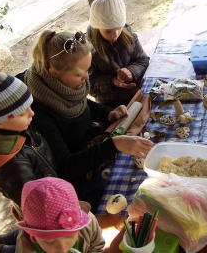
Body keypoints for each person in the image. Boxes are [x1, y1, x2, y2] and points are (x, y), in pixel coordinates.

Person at [23, 29, 153, 213]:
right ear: (54, 73)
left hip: (95, 150)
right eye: (80, 74)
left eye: (87, 70)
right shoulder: (38, 111)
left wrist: (107, 113)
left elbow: (82, 106)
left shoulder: (64, 86)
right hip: (80, 178)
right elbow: (65, 166)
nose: (86, 78)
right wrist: (113, 145)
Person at [0, 70, 58, 253]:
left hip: (46, 192)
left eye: (29, 107)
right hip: (41, 209)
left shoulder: (14, 127)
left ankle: (11, 237)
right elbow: (34, 205)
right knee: (41, 243)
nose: (31, 114)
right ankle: (10, 249)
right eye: (23, 113)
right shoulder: (11, 164)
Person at [87, 0, 150, 108]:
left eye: (119, 28)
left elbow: (143, 60)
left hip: (136, 95)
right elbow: (88, 84)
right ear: (97, 28)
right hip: (108, 105)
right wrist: (112, 82)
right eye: (108, 31)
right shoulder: (88, 50)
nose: (115, 35)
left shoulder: (129, 36)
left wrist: (131, 72)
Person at [16, 177, 105, 253]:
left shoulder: (89, 224)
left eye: (69, 236)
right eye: (50, 241)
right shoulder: (24, 248)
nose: (62, 248)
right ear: (34, 237)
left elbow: (97, 246)